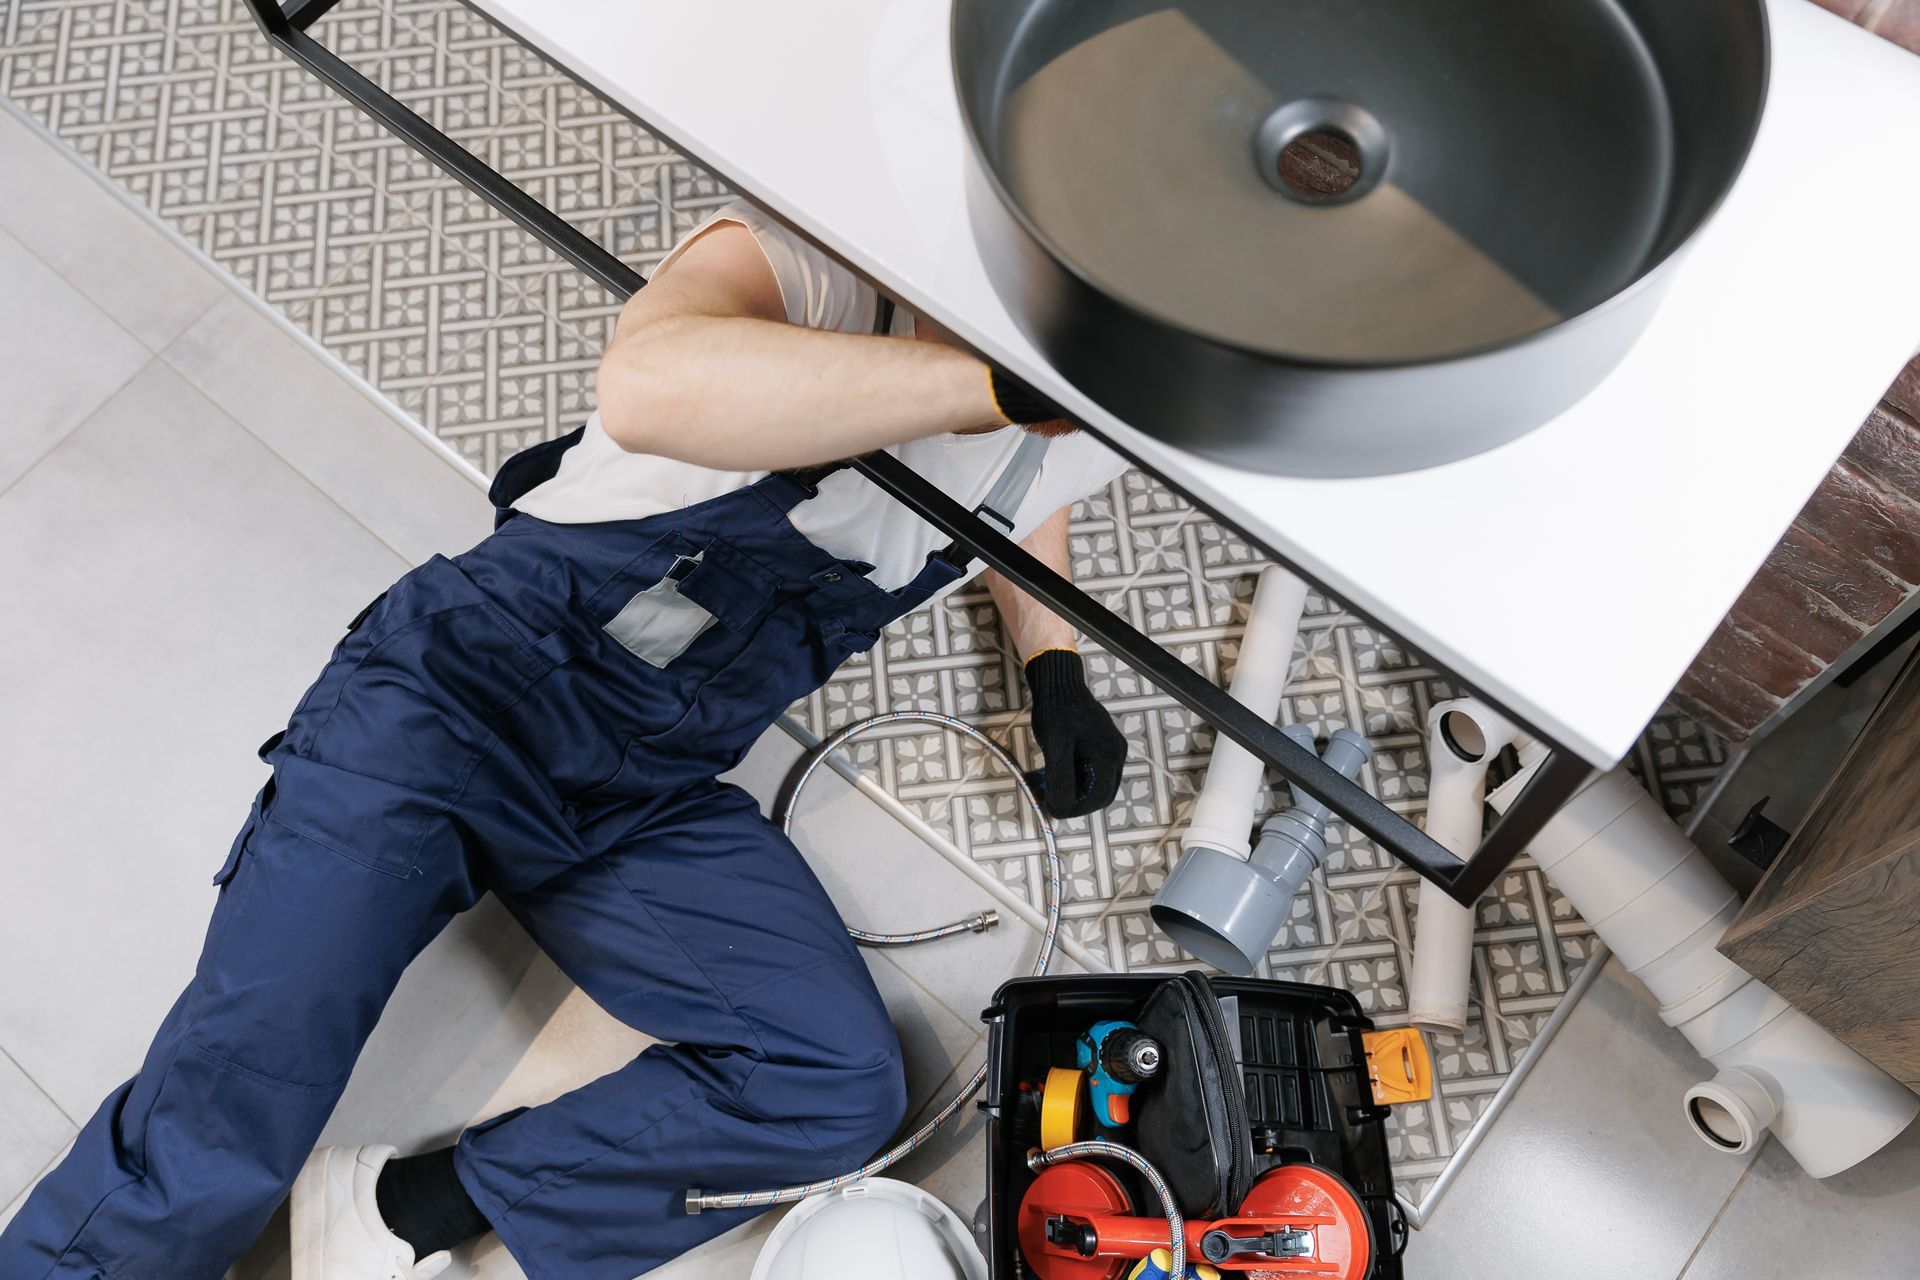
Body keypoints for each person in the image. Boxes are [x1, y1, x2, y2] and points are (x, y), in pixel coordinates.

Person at [0, 202, 1133, 1280]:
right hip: (457, 702)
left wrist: (1054, 659)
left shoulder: (1090, 412)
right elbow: (650, 380)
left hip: (644, 786)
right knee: (221, 1116)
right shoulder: (829, 258)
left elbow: (1019, 483)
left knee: (833, 1081)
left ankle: (403, 1208)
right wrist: (981, 381)